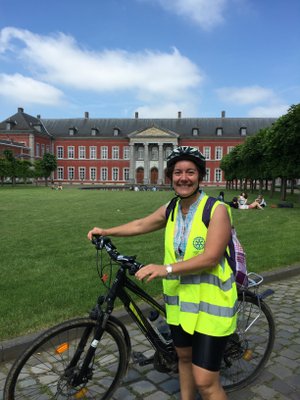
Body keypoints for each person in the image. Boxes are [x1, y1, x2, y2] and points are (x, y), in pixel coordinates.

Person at [88, 146, 237, 400]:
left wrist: (165, 269)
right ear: (171, 177)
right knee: (184, 359)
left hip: (211, 307)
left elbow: (211, 257)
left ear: (200, 176)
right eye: (178, 172)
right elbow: (141, 224)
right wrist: (107, 230)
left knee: (206, 382)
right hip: (181, 304)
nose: (183, 177)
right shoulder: (171, 208)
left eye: (190, 172)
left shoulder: (216, 209)